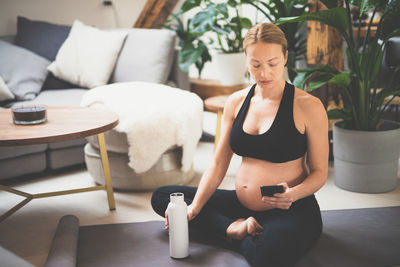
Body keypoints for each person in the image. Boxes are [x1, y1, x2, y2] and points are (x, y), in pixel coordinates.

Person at [151, 22, 328, 267]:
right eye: (255, 65)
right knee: (165, 198)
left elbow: (320, 172)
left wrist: (293, 195)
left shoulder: (308, 105)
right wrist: (195, 207)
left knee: (268, 257)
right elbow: (218, 162)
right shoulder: (236, 102)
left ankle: (228, 231)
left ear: (285, 57)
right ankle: (234, 228)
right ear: (246, 59)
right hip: (240, 206)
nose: (264, 73)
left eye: (272, 64)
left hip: (291, 208)